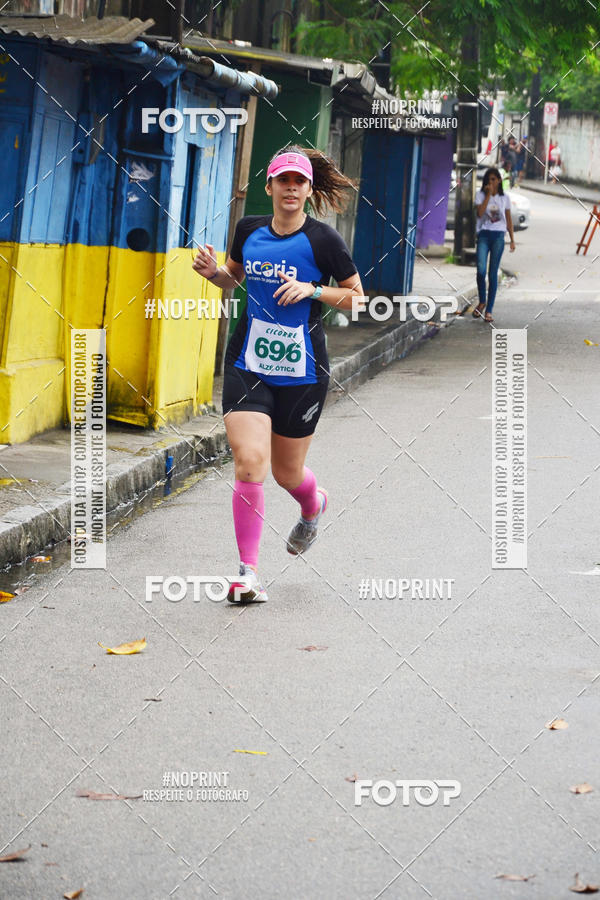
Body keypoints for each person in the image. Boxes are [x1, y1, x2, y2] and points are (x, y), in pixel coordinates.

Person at [192, 147, 364, 603]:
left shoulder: (324, 240)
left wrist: (313, 289)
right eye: (283, 180)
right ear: (269, 186)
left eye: (299, 181)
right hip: (248, 364)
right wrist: (213, 274)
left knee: (288, 474)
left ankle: (313, 504)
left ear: (308, 190)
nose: (291, 188)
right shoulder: (249, 230)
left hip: (302, 373)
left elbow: (357, 298)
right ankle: (247, 573)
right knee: (250, 461)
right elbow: (233, 277)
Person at [472, 168, 516, 323]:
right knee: (480, 270)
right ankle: (482, 301)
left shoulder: (505, 198)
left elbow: (508, 219)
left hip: (498, 236)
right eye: (488, 180)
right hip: (484, 235)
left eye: (493, 179)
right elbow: (479, 213)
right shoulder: (480, 195)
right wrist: (488, 195)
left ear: (499, 180)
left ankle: (489, 310)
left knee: (492, 274)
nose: (490, 182)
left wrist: (512, 239)